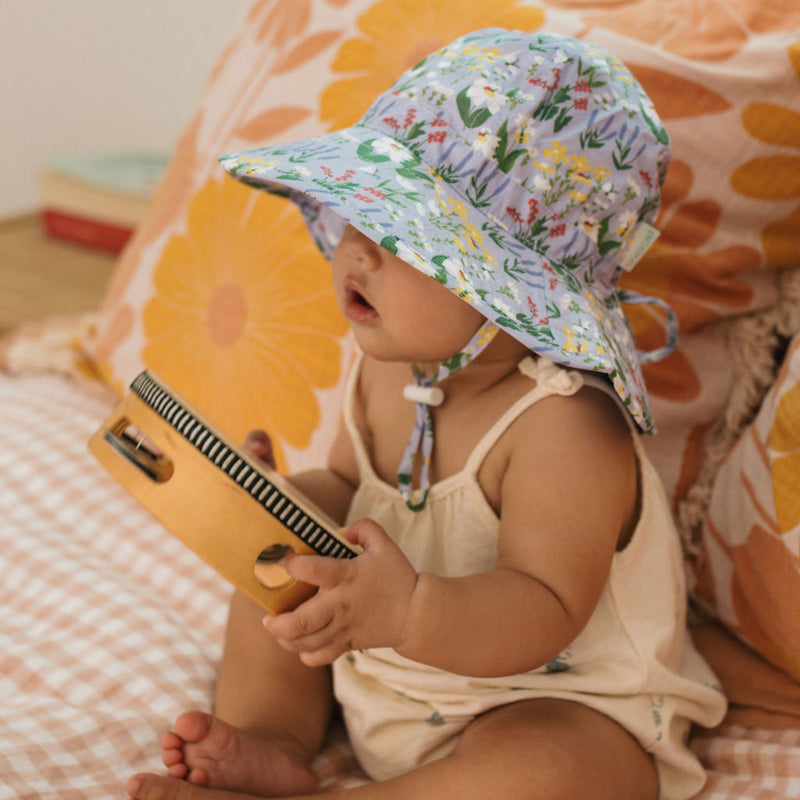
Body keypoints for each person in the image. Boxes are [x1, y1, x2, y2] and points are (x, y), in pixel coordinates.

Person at [127, 28, 726, 800]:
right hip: (387, 672)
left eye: (404, 236)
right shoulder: (390, 364)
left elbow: (546, 607)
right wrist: (274, 505)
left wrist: (409, 610)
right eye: (357, 214)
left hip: (544, 698)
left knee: (556, 769)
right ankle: (273, 734)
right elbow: (351, 486)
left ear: (508, 291)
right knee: (283, 560)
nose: (357, 252)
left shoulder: (564, 426)